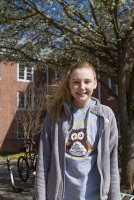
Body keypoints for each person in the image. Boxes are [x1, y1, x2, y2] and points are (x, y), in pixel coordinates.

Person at [35, 61, 121, 200]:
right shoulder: (55, 114)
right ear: (69, 84)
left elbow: (112, 163)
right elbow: (43, 161)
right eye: (76, 82)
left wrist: (115, 197)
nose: (82, 87)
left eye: (87, 81)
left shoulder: (106, 115)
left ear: (95, 83)